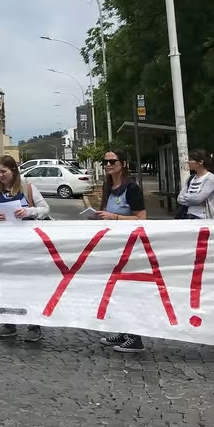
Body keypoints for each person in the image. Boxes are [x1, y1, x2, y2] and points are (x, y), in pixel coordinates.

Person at [0, 155, 49, 342]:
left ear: (14, 171)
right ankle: (9, 323)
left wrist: (29, 211)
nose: (0, 175)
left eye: (3, 171)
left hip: (29, 245)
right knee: (8, 285)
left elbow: (46, 209)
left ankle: (34, 324)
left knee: (30, 285)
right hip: (5, 246)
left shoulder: (28, 189)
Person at [95, 148, 148, 354]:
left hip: (130, 247)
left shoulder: (132, 188)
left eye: (112, 161)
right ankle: (123, 330)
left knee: (130, 290)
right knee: (116, 291)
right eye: (105, 162)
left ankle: (135, 337)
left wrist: (115, 218)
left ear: (123, 163)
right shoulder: (108, 186)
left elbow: (142, 218)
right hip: (112, 246)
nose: (108, 165)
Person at [176, 149, 214, 220]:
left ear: (201, 162)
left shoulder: (210, 179)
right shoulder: (191, 178)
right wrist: (192, 198)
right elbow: (179, 199)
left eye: (191, 160)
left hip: (203, 218)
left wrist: (187, 196)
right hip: (188, 215)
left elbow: (199, 199)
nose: (188, 162)